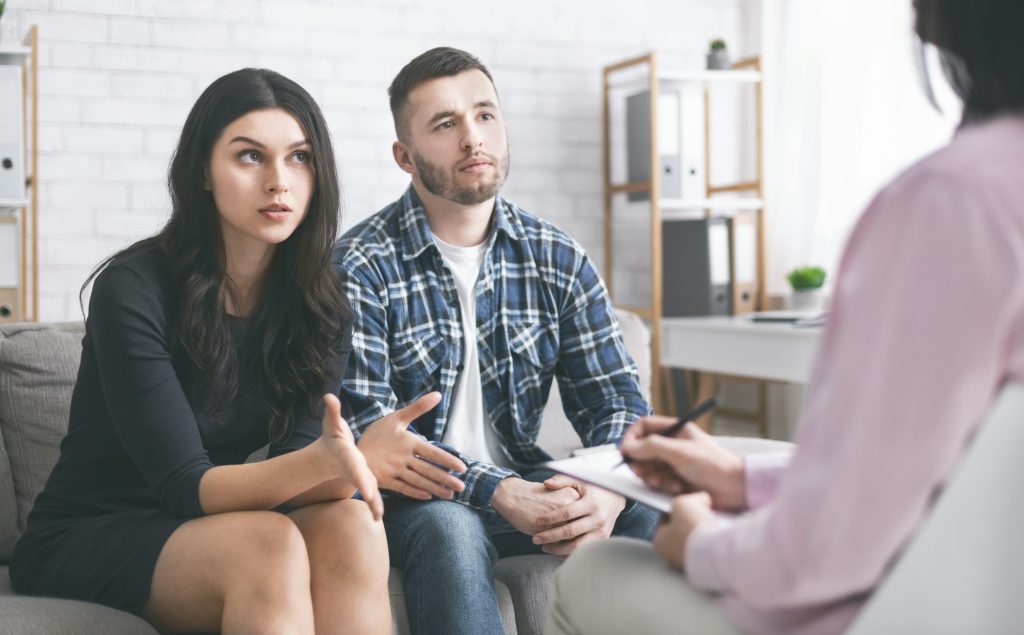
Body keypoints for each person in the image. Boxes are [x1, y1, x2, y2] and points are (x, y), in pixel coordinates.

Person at [546, 1, 1024, 633]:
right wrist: (741, 479)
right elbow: (914, 469)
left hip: (880, 612)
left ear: (934, 20)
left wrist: (704, 544)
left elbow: (831, 550)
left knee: (589, 574)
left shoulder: (949, 203)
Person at [8, 68, 414, 634]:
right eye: (250, 157)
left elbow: (297, 464)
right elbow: (183, 483)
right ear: (202, 170)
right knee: (267, 544)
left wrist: (362, 466)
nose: (280, 182)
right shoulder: (133, 286)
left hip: (209, 523)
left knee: (354, 524)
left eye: (299, 157)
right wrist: (327, 465)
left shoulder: (321, 301)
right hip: (92, 532)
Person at [332, 47, 661, 635]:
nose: (472, 138)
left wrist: (605, 491)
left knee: (661, 503)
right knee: (450, 530)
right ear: (404, 157)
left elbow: (619, 404)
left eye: (484, 115)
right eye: (445, 124)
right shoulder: (361, 267)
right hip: (413, 501)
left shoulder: (556, 257)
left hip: (525, 486)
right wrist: (498, 490)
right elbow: (371, 430)